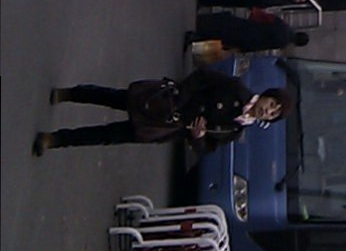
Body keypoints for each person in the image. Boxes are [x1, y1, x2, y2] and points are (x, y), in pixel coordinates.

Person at [32, 68, 293, 155]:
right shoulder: (236, 89)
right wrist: (181, 96)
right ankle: (70, 94)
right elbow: (202, 76)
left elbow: (207, 150)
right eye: (271, 105)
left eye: (273, 114)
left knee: (109, 135)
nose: (267, 111)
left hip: (165, 128)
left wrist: (198, 137)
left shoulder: (235, 129)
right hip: (164, 104)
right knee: (112, 98)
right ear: (266, 95)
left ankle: (55, 139)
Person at [188, 10, 310, 54]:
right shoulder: (282, 43)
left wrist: (255, 13)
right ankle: (195, 38)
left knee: (225, 25)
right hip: (249, 41)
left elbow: (266, 17)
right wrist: (245, 49)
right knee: (223, 39)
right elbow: (262, 46)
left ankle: (202, 24)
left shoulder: (283, 26)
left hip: (250, 26)